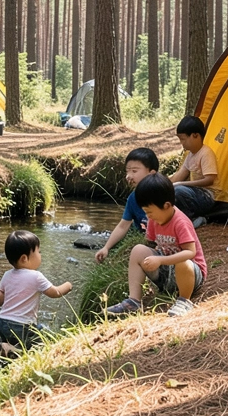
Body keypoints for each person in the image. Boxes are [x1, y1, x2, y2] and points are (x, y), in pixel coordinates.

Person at [105, 173, 207, 317]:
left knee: (183, 262)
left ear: (166, 206)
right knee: (138, 250)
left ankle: (184, 301)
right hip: (168, 275)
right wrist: (152, 258)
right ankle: (134, 301)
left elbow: (190, 253)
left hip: (190, 276)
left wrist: (160, 260)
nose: (148, 216)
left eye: (150, 212)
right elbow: (151, 244)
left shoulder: (180, 222)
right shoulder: (154, 220)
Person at [0, 230, 72, 353]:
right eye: (38, 252)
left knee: (14, 344)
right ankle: (8, 349)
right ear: (24, 258)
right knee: (38, 345)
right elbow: (55, 293)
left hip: (2, 321)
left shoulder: (7, 274)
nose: (40, 255)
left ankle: (2, 350)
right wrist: (68, 285)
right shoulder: (36, 276)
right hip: (22, 325)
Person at [94, 147, 158, 264]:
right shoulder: (133, 198)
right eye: (127, 171)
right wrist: (106, 247)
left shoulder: (163, 194)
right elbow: (123, 226)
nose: (128, 176)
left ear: (151, 173)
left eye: (134, 171)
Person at [167, 115, 219, 227]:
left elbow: (209, 180)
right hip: (194, 194)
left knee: (179, 191)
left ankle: (191, 220)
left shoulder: (206, 153)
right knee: (171, 190)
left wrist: (182, 184)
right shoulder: (190, 155)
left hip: (207, 197)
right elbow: (179, 176)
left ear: (195, 135)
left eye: (183, 139)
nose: (182, 143)